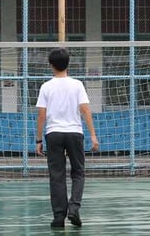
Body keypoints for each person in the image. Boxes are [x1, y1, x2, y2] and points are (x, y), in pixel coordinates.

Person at [35, 48, 100, 228]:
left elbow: (41, 115)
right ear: (68, 64)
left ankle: (59, 216)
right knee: (78, 172)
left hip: (54, 133)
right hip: (74, 133)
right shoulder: (77, 85)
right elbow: (85, 110)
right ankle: (74, 208)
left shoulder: (46, 86)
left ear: (51, 65)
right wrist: (93, 135)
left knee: (57, 175)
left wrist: (38, 140)